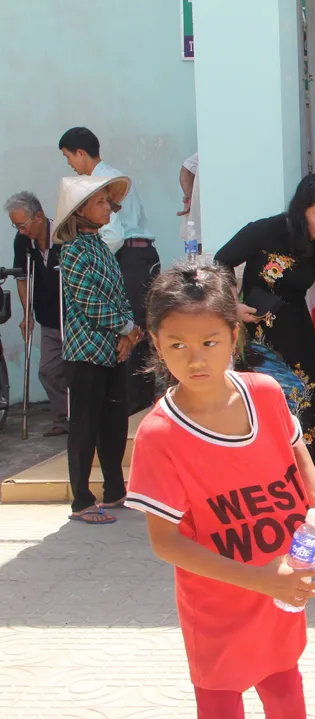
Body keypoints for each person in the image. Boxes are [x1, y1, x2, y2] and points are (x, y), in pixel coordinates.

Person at [125, 258, 315, 719]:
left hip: (281, 590)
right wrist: (260, 579)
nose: (195, 359)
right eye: (177, 344)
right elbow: (165, 542)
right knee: (220, 703)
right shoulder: (159, 434)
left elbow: (295, 448)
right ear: (156, 343)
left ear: (234, 336)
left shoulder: (264, 393)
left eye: (209, 342)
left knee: (285, 690)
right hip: (217, 609)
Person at [215, 174, 315, 465]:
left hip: (295, 326)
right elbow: (222, 260)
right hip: (256, 329)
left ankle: (304, 478)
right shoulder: (266, 230)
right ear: (302, 210)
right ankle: (264, 473)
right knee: (260, 402)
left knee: (313, 392)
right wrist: (232, 306)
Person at [53, 174, 143, 525]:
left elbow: (120, 296)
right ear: (81, 210)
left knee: (113, 423)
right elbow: (89, 303)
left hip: (112, 349)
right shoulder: (73, 251)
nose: (108, 208)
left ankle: (115, 490)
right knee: (85, 426)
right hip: (86, 352)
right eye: (101, 202)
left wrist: (128, 335)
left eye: (108, 201)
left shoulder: (101, 247)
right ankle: (81, 500)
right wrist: (127, 329)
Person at [59, 126, 159, 414]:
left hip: (129, 258)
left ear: (80, 153)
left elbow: (112, 236)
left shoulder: (100, 183)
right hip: (139, 256)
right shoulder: (110, 175)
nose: (70, 164)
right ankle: (137, 407)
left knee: (132, 335)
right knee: (135, 332)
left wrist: (96, 261)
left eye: (68, 157)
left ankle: (133, 410)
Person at [5, 192, 67, 436]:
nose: (21, 231)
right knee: (48, 371)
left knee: (77, 371)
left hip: (72, 317)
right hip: (48, 317)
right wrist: (27, 314)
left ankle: (82, 419)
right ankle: (64, 417)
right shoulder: (23, 242)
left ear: (39, 217)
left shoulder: (63, 237)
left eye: (23, 225)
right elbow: (22, 278)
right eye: (16, 226)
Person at [177, 152, 201, 250]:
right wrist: (189, 196)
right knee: (195, 250)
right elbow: (187, 167)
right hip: (197, 227)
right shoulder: (209, 147)